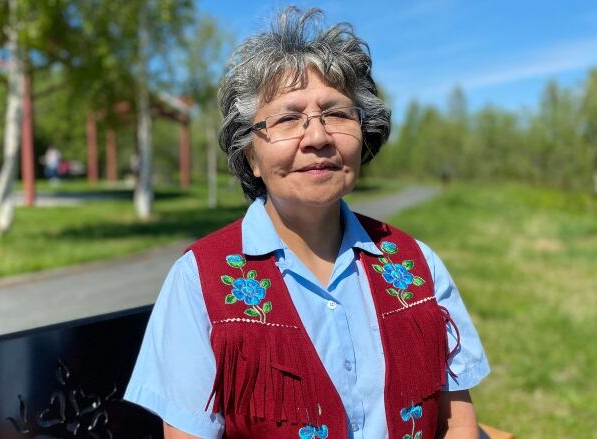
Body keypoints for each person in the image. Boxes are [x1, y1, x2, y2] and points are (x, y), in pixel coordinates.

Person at [124, 7, 489, 439]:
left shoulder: (417, 265)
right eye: (287, 118)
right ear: (250, 157)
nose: (317, 137)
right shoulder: (197, 283)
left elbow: (458, 424)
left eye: (336, 113)